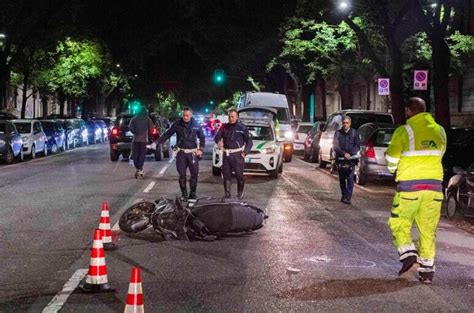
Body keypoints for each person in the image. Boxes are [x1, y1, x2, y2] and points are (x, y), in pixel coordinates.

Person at [386, 97, 446, 284]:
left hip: (410, 187)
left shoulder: (404, 131)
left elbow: (392, 157)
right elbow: (440, 153)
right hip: (434, 188)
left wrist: (392, 168)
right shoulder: (440, 131)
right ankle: (427, 272)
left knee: (400, 221)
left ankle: (408, 255)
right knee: (428, 229)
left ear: (409, 111)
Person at [156, 107, 205, 200]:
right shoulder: (177, 124)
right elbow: (168, 134)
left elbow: (202, 137)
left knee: (194, 175)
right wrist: (157, 142)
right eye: (184, 115)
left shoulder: (196, 124)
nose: (185, 117)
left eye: (187, 116)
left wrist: (201, 149)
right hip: (181, 153)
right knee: (182, 175)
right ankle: (184, 194)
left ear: (191, 116)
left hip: (193, 153)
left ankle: (193, 193)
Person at [214, 108, 253, 199]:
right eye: (229, 117)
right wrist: (219, 142)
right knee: (226, 175)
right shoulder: (224, 127)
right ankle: (227, 194)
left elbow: (249, 142)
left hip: (237, 155)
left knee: (239, 175)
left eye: (232, 117)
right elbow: (217, 137)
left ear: (237, 117)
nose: (230, 118)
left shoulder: (242, 128)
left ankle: (240, 193)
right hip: (226, 155)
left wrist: (245, 152)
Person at [332, 115, 360, 204]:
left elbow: (357, 145)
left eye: (347, 123)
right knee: (342, 179)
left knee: (350, 178)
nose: (345, 125)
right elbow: (335, 146)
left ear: (350, 123)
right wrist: (344, 154)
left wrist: (350, 154)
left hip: (351, 160)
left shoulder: (355, 133)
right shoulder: (337, 133)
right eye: (344, 123)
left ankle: (348, 197)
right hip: (340, 159)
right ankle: (344, 195)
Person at [128, 105, 154, 179]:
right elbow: (151, 128)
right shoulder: (147, 119)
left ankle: (138, 168)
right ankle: (140, 168)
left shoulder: (134, 118)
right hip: (144, 140)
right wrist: (149, 133)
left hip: (135, 140)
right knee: (142, 155)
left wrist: (135, 132)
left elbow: (130, 127)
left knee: (135, 154)